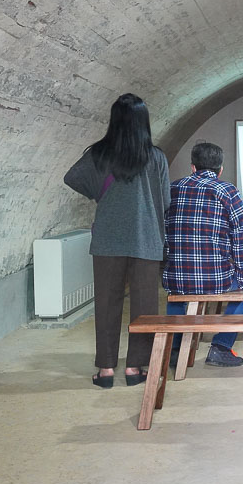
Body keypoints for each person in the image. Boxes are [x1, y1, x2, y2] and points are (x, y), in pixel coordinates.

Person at [64, 93, 170, 389]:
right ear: (144, 122)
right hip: (146, 239)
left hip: (108, 240)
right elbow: (165, 201)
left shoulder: (99, 153)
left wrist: (101, 194)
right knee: (145, 306)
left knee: (107, 303)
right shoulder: (156, 157)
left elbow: (72, 177)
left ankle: (106, 368)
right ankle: (136, 366)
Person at [163, 142, 243, 367]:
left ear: (192, 167)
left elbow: (163, 230)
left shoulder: (172, 188)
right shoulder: (227, 191)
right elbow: (241, 237)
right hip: (217, 278)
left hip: (177, 275)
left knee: (175, 290)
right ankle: (221, 347)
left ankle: (175, 349)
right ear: (220, 169)